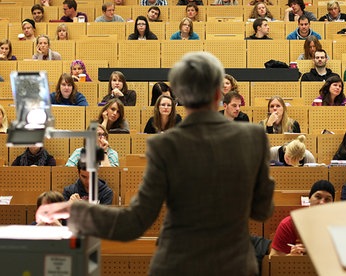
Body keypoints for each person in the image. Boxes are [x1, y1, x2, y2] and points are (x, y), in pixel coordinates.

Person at [37, 51, 274, 275]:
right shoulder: (253, 139)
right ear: (217, 94)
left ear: (180, 97)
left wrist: (74, 209)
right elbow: (262, 210)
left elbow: (134, 222)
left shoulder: (164, 145)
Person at [270, 180, 334, 256]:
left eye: (327, 199)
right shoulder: (289, 224)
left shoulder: (339, 226)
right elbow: (273, 258)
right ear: (309, 199)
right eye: (318, 197)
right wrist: (290, 257)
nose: (322, 203)